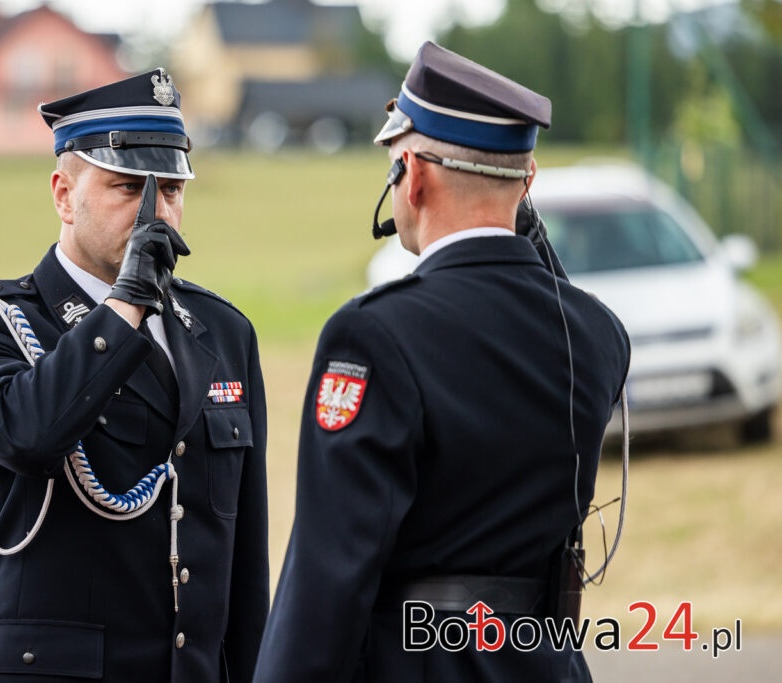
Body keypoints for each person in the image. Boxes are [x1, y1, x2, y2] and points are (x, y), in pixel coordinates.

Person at [252, 42, 630, 683]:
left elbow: (327, 581)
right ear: (528, 181)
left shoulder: (372, 335)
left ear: (413, 175)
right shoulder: (598, 333)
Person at [0, 69, 269, 683]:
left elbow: (245, 556)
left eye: (171, 189)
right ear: (64, 195)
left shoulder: (222, 330)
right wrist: (123, 307)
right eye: (127, 187)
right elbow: (25, 434)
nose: (155, 213)